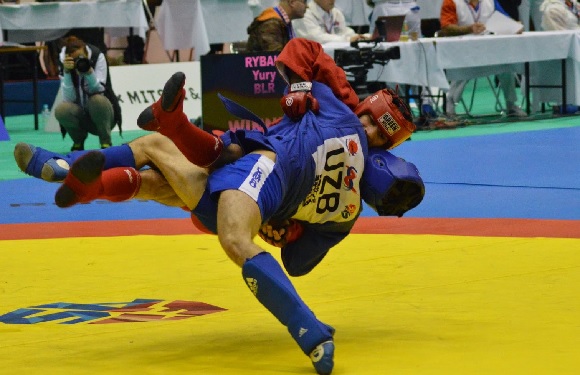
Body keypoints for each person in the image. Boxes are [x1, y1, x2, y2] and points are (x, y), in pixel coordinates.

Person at [15, 38, 422, 375]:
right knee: (157, 163)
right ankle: (77, 177)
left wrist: (300, 92)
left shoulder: (342, 112)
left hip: (261, 172)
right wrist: (286, 229)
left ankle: (309, 329)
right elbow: (298, 261)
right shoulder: (348, 214)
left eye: (375, 129)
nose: (367, 130)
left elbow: (305, 55)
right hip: (258, 189)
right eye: (371, 121)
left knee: (227, 227)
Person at [439, 0, 528, 118]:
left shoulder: (490, 2)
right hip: (463, 55)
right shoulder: (451, 2)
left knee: (507, 66)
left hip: (490, 52)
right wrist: (469, 29)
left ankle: (511, 105)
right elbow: (446, 28)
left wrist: (514, 26)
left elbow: (504, 19)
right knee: (460, 73)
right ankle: (449, 108)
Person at [55, 36, 122, 151]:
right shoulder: (64, 63)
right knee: (62, 110)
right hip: (81, 116)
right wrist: (67, 72)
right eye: (75, 59)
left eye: (81, 57)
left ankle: (105, 142)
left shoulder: (97, 56)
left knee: (97, 100)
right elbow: (68, 99)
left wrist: (89, 72)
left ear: (86, 51)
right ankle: (78, 142)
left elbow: (100, 89)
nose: (79, 61)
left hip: (103, 116)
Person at [293, 0, 369, 43]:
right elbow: (317, 38)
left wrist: (360, 37)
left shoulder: (336, 13)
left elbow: (343, 31)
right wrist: (347, 39)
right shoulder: (304, 14)